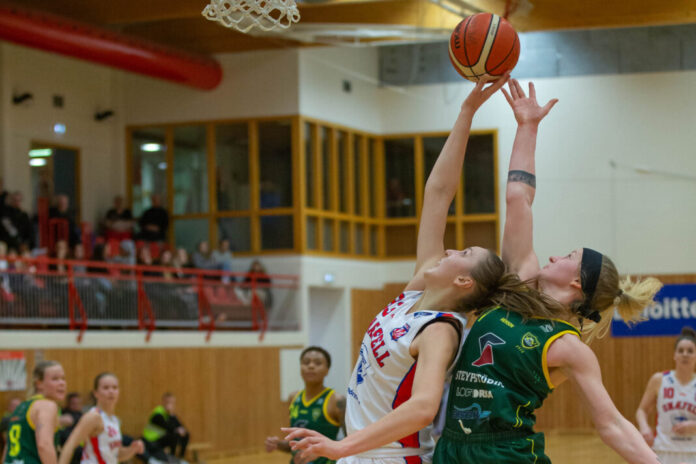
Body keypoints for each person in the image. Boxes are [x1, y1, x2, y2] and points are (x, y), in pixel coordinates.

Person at [284, 77, 516, 463]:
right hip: (361, 451)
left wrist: (341, 446)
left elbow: (424, 407)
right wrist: (466, 112)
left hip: (392, 457)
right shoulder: (415, 293)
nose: (451, 249)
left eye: (464, 252)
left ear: (464, 280)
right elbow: (438, 195)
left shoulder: (440, 330)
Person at [431, 79, 663, 464]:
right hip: (452, 449)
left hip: (507, 454)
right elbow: (518, 198)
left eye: (569, 255)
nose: (554, 256)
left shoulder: (568, 346)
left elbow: (611, 425)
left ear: (577, 281)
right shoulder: (518, 280)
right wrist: (527, 127)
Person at [266, 347, 345, 464]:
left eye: (318, 363)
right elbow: (295, 444)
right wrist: (278, 444)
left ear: (327, 370)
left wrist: (322, 450)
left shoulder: (337, 401)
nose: (311, 366)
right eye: (306, 362)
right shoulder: (293, 397)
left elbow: (351, 444)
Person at [636, 327, 696, 464]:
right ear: (674, 355)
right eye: (681, 350)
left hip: (693, 452)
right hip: (663, 450)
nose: (685, 354)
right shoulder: (659, 380)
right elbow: (641, 410)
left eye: (690, 351)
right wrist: (644, 427)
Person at [58, 373, 144, 464]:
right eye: (106, 388)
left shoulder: (114, 420)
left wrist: (132, 449)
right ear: (96, 393)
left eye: (114, 387)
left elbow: (116, 455)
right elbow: (69, 445)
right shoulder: (93, 416)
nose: (111, 391)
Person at [3, 360, 67, 464]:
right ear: (39, 384)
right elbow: (44, 445)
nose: (62, 383)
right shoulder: (47, 405)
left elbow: (7, 447)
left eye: (63, 378)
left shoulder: (21, 407)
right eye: (55, 379)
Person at [142, 393, 189, 464]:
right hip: (150, 441)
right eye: (168, 402)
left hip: (160, 439)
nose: (169, 405)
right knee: (174, 435)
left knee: (186, 434)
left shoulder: (169, 414)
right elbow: (167, 427)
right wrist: (171, 416)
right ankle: (172, 458)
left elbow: (179, 426)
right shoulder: (158, 413)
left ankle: (180, 457)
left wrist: (182, 430)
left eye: (171, 403)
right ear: (163, 402)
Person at [57, 393, 84, 464]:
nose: (76, 405)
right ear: (68, 404)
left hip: (78, 451)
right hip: (63, 448)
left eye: (78, 403)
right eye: (73, 403)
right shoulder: (63, 412)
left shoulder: (82, 416)